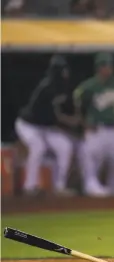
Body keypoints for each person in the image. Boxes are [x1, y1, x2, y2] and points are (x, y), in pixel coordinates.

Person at [15, 55, 75, 196]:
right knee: (38, 147)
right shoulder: (46, 88)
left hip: (45, 127)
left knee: (65, 147)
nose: (66, 73)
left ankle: (59, 186)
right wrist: (68, 123)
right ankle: (29, 187)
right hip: (28, 125)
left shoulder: (62, 87)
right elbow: (48, 116)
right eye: (63, 70)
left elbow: (58, 113)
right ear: (57, 72)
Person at [73, 53, 114, 197]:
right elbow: (76, 102)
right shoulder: (89, 86)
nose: (108, 69)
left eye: (110, 65)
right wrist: (83, 122)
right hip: (97, 130)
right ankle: (91, 192)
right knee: (92, 164)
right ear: (98, 68)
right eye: (105, 66)